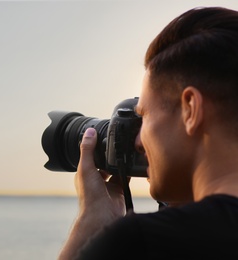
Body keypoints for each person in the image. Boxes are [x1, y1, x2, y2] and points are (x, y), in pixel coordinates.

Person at [58, 6, 238, 260]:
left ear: (191, 110)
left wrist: (90, 223)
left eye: (143, 117)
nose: (139, 142)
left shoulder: (142, 242)